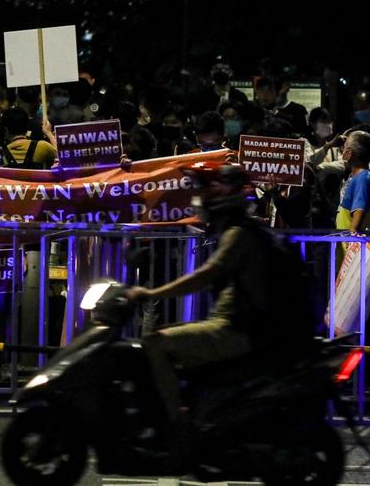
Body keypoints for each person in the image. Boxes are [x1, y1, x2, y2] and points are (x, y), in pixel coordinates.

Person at [125, 162, 316, 432]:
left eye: (211, 188)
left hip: (236, 329)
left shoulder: (239, 235)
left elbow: (204, 275)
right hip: (237, 325)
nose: (202, 197)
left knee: (154, 342)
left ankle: (175, 425)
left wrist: (151, 293)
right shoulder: (241, 231)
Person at [337, 130, 370, 233]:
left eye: (344, 147)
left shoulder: (362, 178)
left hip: (353, 245)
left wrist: (351, 242)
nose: (342, 150)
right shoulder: (359, 176)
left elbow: (358, 211)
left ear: (349, 153)